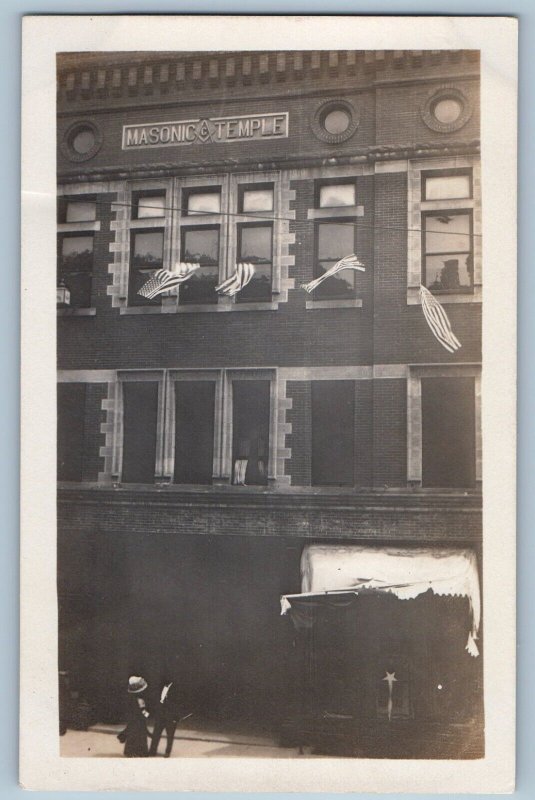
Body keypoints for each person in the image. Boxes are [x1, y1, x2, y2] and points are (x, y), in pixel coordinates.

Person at [117, 676, 150, 757]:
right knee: (140, 736)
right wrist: (148, 715)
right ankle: (141, 752)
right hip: (139, 720)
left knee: (132, 735)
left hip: (132, 718)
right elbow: (143, 711)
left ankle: (129, 751)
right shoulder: (140, 699)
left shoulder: (131, 698)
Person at [149, 677, 180, 758]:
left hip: (170, 716)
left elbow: (178, 704)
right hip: (160, 715)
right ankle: (152, 751)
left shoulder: (176, 689)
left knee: (170, 736)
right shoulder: (162, 687)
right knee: (156, 734)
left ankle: (167, 752)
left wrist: (176, 717)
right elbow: (159, 701)